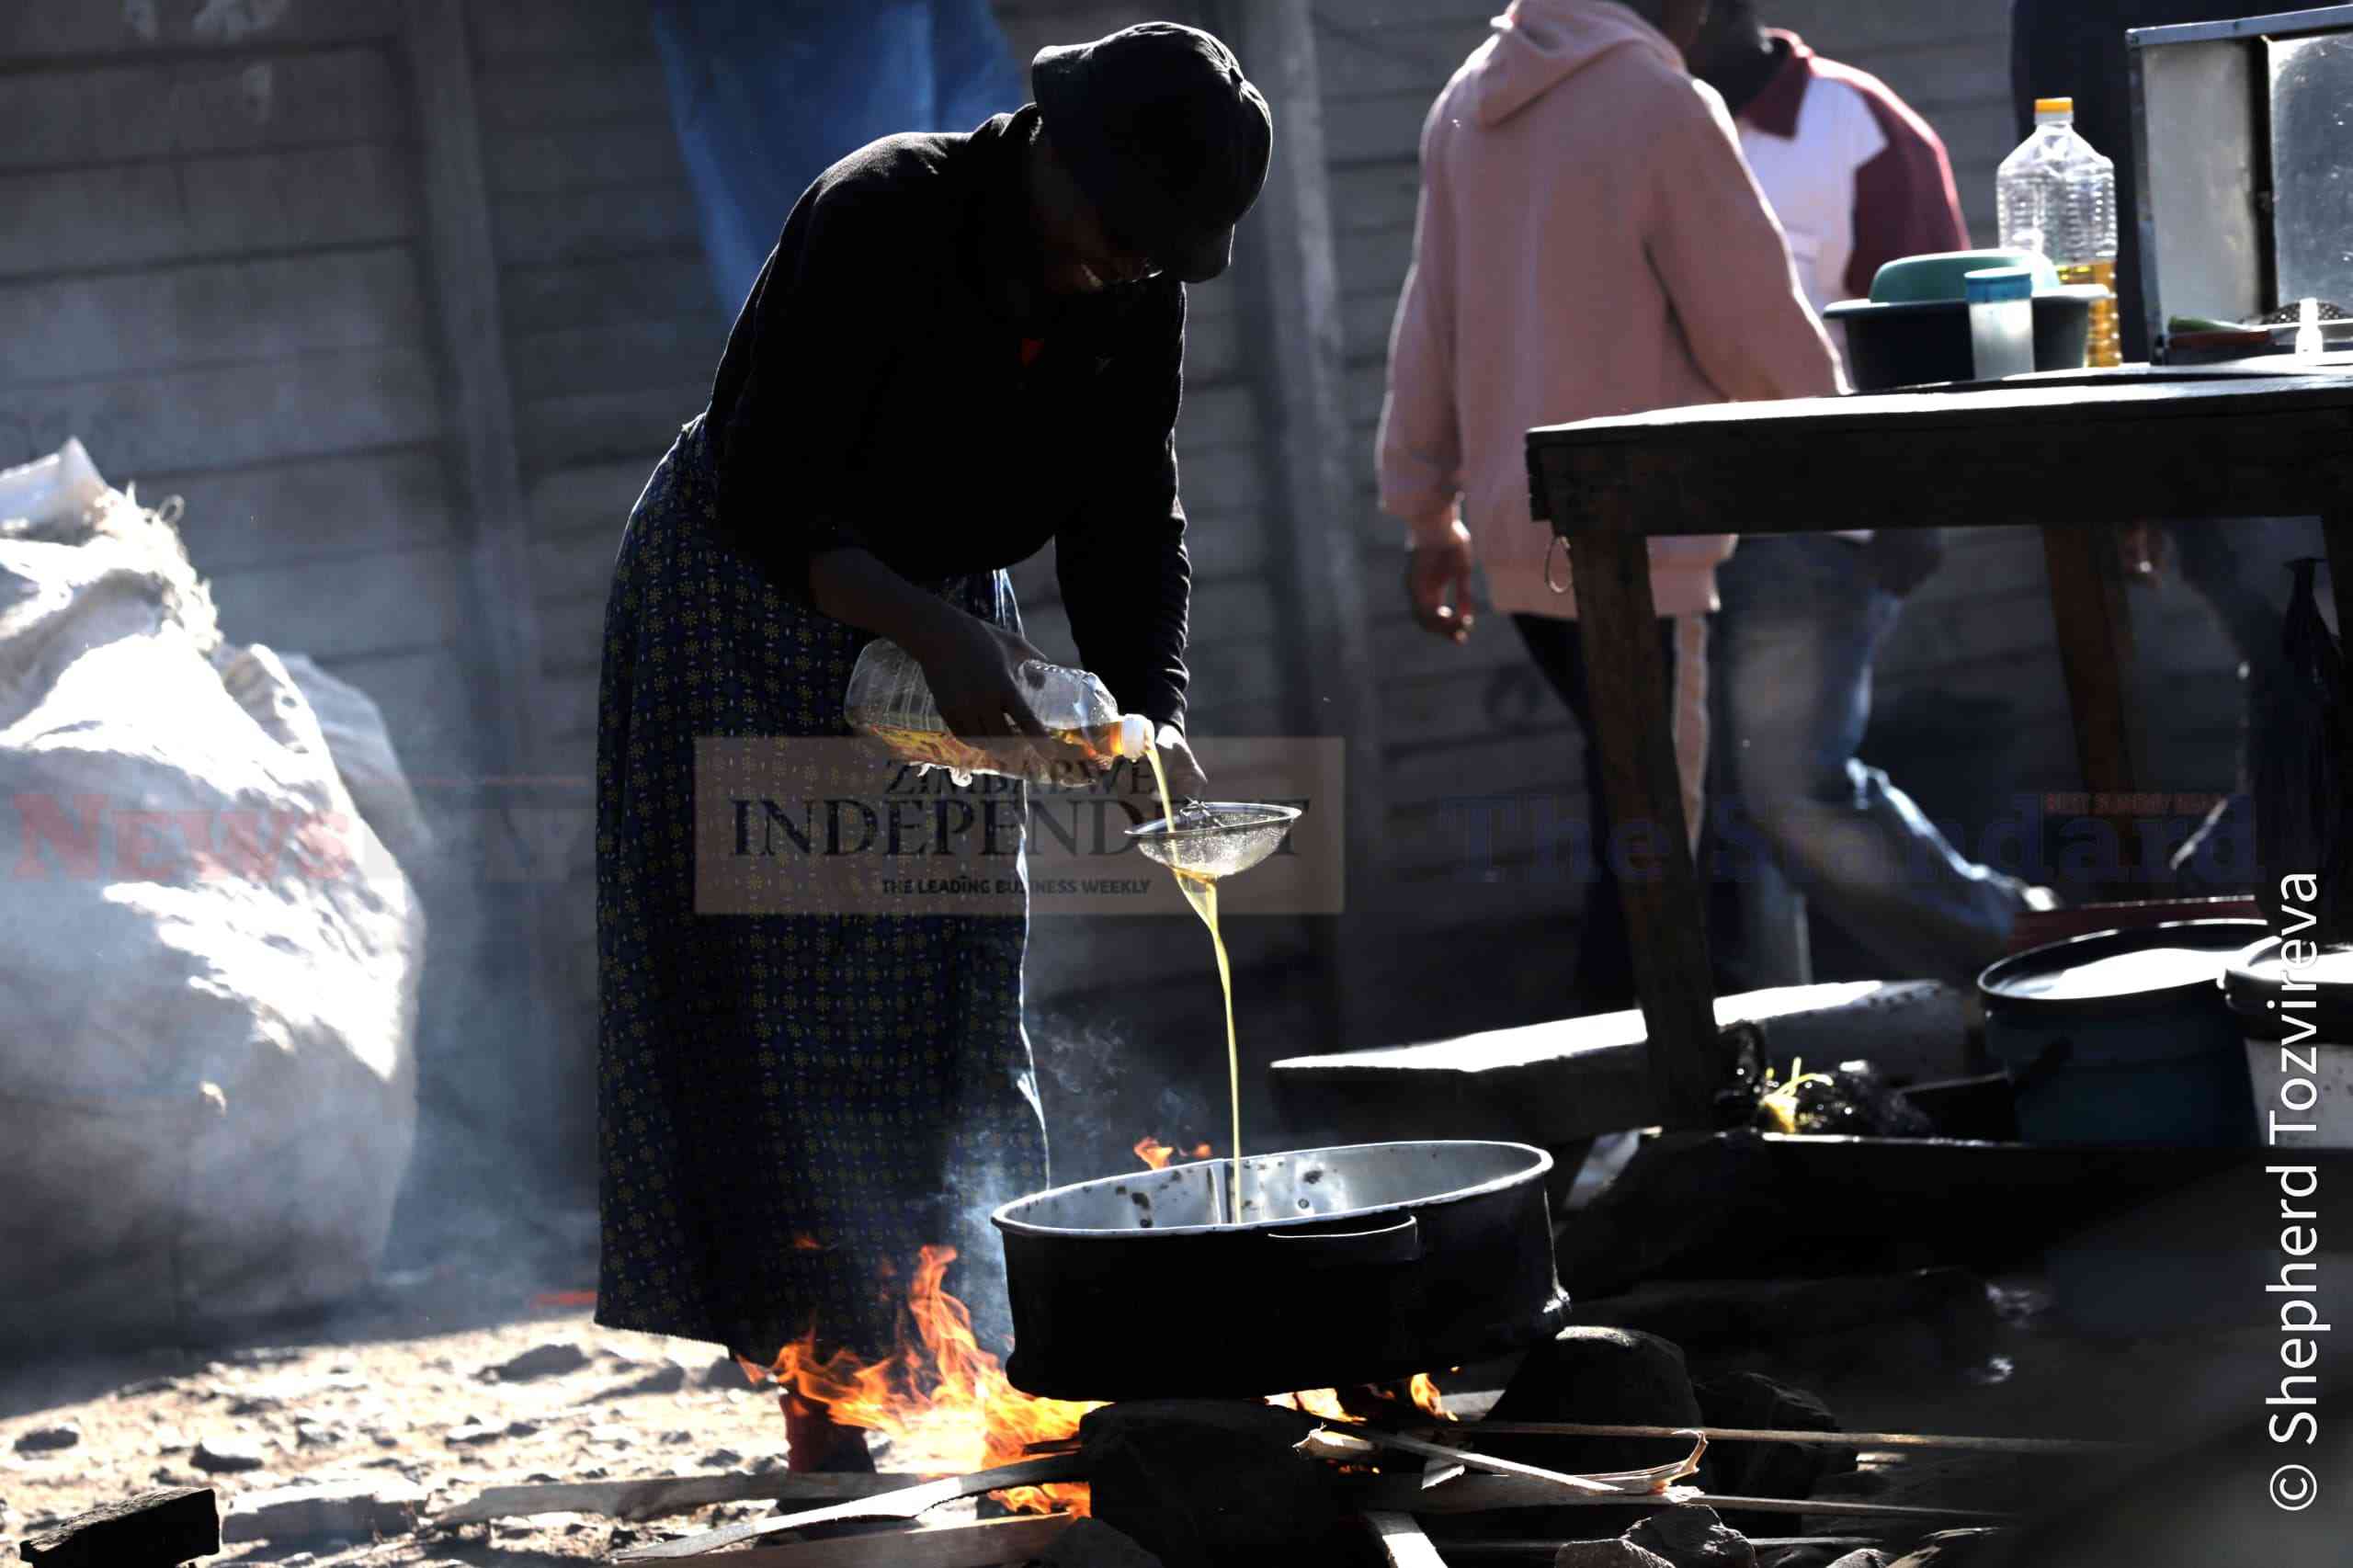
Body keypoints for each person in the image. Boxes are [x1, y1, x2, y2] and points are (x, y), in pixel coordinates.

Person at [595, 22, 1266, 1471]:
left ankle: (989, 1360)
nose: (1120, 270)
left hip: (943, 614)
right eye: (1112, 235)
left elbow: (1129, 522)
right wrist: (938, 632)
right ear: (1056, 155)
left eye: (1155, 255)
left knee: (958, 966)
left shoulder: (1131, 285)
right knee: (793, 983)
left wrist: (1152, 708)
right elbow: (777, 491)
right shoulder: (882, 210)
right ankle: (823, 1393)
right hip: (755, 592)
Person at [1378, 0, 1844, 1011]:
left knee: (1635, 838)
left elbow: (1430, 322)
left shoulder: (1469, 97)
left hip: (1527, 550)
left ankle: (1625, 1129)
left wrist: (1426, 513)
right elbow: (1761, 338)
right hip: (1645, 553)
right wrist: (1848, 474)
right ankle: (1638, 1134)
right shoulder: (1659, 103)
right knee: (1663, 871)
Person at [1689, 1, 2054, 989]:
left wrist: (1910, 498)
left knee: (1789, 788)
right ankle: (1762, 1059)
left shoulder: (1857, 124)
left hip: (1816, 523)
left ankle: (2025, 951)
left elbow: (1936, 334)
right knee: (1706, 809)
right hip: (1669, 522)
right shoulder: (1639, 122)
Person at [2010, 0, 2333, 889]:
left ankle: (2245, 926)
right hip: (2212, 383)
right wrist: (2109, 453)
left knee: (2297, 682)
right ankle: (2252, 935)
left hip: (2258, 366)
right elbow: (2071, 236)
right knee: (2303, 675)